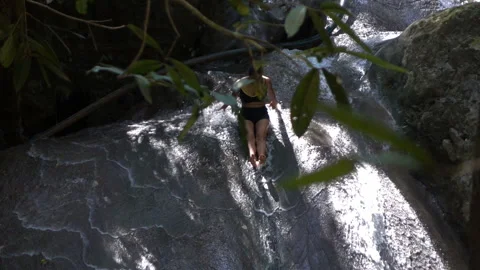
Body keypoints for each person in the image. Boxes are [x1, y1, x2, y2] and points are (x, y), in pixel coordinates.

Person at [220, 66, 279, 169]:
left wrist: (273, 102)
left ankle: (260, 156)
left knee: (258, 136)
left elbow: (272, 96)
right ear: (249, 75)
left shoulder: (266, 81)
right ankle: (255, 156)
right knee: (253, 136)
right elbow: (232, 96)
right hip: (247, 114)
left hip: (260, 113)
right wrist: (224, 106)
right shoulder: (240, 83)